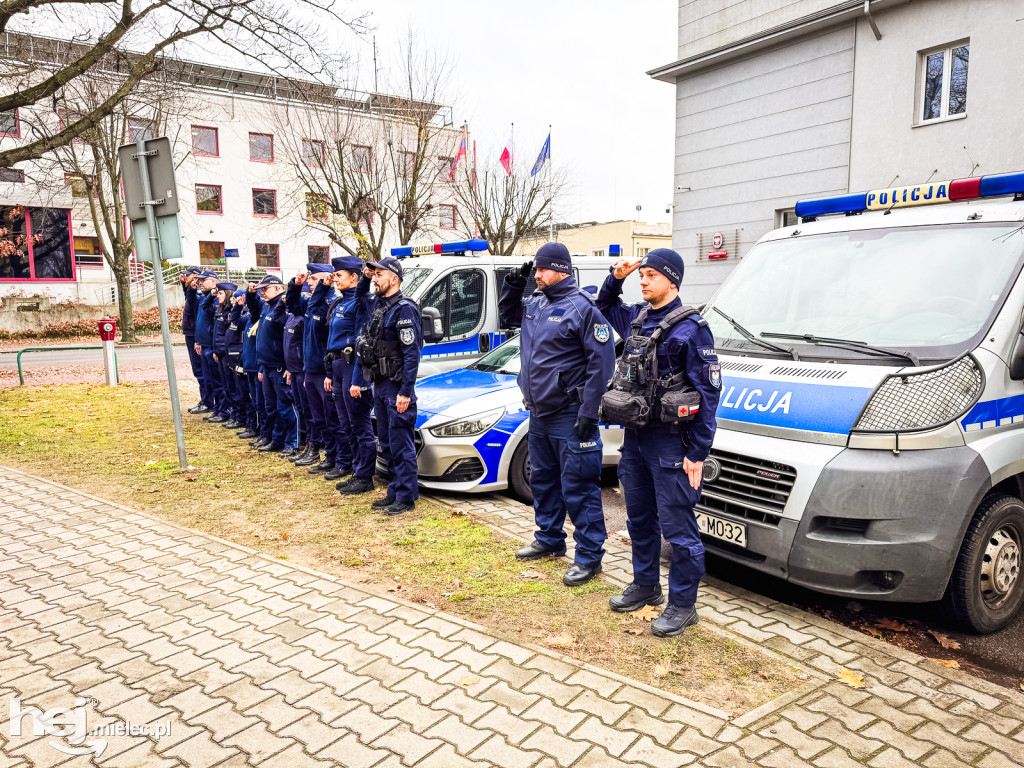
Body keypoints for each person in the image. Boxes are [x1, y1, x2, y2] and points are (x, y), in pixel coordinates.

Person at [597, 249, 721, 637]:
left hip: (671, 445)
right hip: (635, 441)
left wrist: (698, 453)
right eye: (642, 274)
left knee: (678, 528)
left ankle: (683, 605)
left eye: (651, 275)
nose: (643, 280)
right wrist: (616, 276)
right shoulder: (636, 319)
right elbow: (604, 304)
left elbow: (709, 395)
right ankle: (646, 585)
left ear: (673, 281)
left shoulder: (692, 328)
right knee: (639, 519)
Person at [498, 242, 616, 587]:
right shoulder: (535, 303)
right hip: (539, 414)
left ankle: (590, 556)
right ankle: (549, 538)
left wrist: (589, 412)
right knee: (544, 482)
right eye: (535, 270)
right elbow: (507, 316)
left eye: (542, 270)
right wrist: (513, 284)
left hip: (569, 414)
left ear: (561, 270)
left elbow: (601, 366)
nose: (537, 275)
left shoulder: (582, 310)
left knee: (579, 487)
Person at [353, 256, 421, 514]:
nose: (375, 279)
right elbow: (360, 297)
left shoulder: (404, 309)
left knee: (401, 443)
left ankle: (406, 497)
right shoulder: (381, 306)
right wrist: (367, 275)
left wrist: (406, 391)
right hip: (380, 384)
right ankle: (395, 491)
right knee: (388, 443)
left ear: (394, 279)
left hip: (396, 387)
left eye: (380, 275)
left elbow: (412, 354)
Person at [325, 257, 375, 491]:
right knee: (346, 424)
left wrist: (358, 380)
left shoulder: (360, 302)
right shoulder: (340, 302)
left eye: (340, 275)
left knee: (359, 425)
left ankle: (365, 477)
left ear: (354, 277)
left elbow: (361, 344)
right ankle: (356, 470)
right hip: (337, 368)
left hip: (351, 367)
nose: (335, 279)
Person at [246, 274, 297, 454]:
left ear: (277, 288)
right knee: (271, 407)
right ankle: (277, 440)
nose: (262, 293)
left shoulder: (283, 306)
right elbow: (252, 309)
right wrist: (250, 294)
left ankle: (292, 443)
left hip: (279, 366)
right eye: (261, 290)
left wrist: (288, 367)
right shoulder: (267, 306)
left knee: (284, 407)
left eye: (265, 289)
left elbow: (288, 339)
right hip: (266, 365)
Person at [193, 270, 223, 421]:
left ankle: (222, 409)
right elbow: (199, 320)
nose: (200, 283)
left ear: (213, 282)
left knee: (217, 380)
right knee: (209, 378)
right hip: (204, 343)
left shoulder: (216, 298)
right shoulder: (204, 297)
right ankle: (217, 408)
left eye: (203, 280)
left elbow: (213, 318)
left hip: (211, 344)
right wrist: (198, 340)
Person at [180, 267, 209, 413]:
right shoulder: (194, 290)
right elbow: (188, 297)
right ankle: (206, 400)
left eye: (187, 275)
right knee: (198, 369)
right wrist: (185, 284)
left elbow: (193, 307)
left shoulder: (200, 293)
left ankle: (207, 401)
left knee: (201, 370)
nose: (184, 278)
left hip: (195, 334)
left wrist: (198, 339)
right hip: (191, 333)